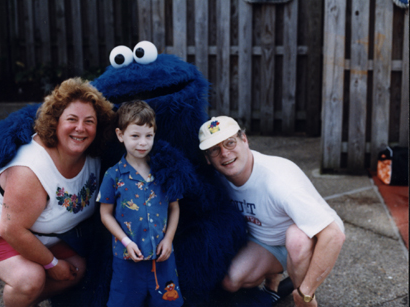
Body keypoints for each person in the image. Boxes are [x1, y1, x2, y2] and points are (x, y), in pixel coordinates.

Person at [0, 78, 114, 307]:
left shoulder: (93, 156)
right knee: (30, 279)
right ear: (55, 122)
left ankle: (23, 302)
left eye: (89, 121)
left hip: (34, 231)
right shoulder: (30, 169)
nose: (80, 128)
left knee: (76, 269)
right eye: (72, 119)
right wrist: (52, 264)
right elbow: (11, 229)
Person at [198, 116, 346, 307]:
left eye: (230, 143)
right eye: (214, 150)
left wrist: (306, 293)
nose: (224, 153)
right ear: (207, 159)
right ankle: (274, 283)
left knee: (296, 240)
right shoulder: (218, 179)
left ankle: (304, 295)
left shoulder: (278, 181)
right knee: (231, 281)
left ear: (245, 140)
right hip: (267, 239)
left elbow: (333, 235)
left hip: (311, 235)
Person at [97, 100, 183, 307]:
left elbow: (174, 207)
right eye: (135, 136)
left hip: (162, 256)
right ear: (120, 135)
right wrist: (126, 242)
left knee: (167, 302)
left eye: (148, 136)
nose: (142, 143)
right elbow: (105, 214)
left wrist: (169, 239)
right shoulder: (113, 175)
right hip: (127, 257)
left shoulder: (164, 169)